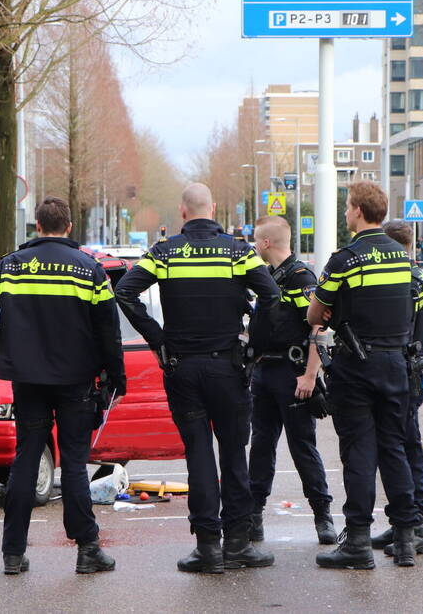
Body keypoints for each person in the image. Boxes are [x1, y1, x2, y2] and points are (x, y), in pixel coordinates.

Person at [115, 183, 279, 574]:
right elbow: (272, 297)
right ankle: (238, 544)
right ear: (214, 208)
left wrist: (158, 339)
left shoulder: (165, 252)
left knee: (199, 454)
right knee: (234, 454)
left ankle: (207, 548)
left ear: (183, 212)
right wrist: (254, 347)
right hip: (228, 368)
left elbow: (124, 293)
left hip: (183, 368)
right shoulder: (238, 251)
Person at [0, 196, 126, 576]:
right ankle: (87, 550)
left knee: (26, 459)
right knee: (74, 463)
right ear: (68, 226)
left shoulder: (10, 265)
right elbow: (109, 330)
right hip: (76, 380)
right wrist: (116, 377)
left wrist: (2, 342)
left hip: (28, 379)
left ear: (37, 226)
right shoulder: (89, 269)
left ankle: (13, 553)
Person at [308, 181, 418, 569]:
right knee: (394, 450)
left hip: (356, 365)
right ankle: (405, 539)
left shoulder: (346, 259)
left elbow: (315, 313)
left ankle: (357, 541)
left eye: (347, 207)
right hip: (396, 364)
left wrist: (326, 306)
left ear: (357, 210)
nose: (345, 213)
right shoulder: (403, 258)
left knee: (359, 451)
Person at [246, 215, 335, 546]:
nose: (255, 246)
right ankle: (254, 517)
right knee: (261, 446)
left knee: (302, 447)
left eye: (256, 240)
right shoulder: (268, 277)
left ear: (266, 242)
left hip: (292, 373)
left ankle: (323, 516)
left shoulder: (300, 278)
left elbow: (318, 327)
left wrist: (310, 375)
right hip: (264, 373)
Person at [373, 220, 423, 558]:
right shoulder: (419, 278)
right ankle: (404, 523)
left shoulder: (406, 277)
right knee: (403, 445)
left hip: (401, 370)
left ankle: (416, 526)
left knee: (405, 447)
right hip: (410, 370)